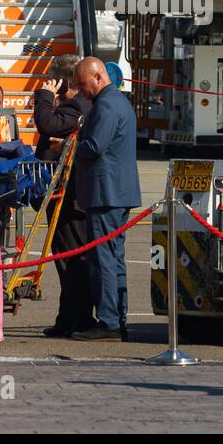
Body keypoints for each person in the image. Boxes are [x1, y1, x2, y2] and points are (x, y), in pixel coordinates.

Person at [70, 57, 141, 341]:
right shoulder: (117, 101)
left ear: (98, 78)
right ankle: (116, 317)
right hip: (114, 191)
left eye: (83, 84)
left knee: (104, 260)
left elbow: (95, 145)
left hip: (106, 193)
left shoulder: (107, 104)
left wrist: (72, 145)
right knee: (114, 257)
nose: (81, 91)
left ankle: (110, 321)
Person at [32, 54, 94, 337]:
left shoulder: (75, 105)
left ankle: (77, 318)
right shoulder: (79, 105)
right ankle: (68, 318)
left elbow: (48, 125)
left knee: (70, 257)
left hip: (69, 196)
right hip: (71, 193)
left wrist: (44, 95)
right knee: (68, 256)